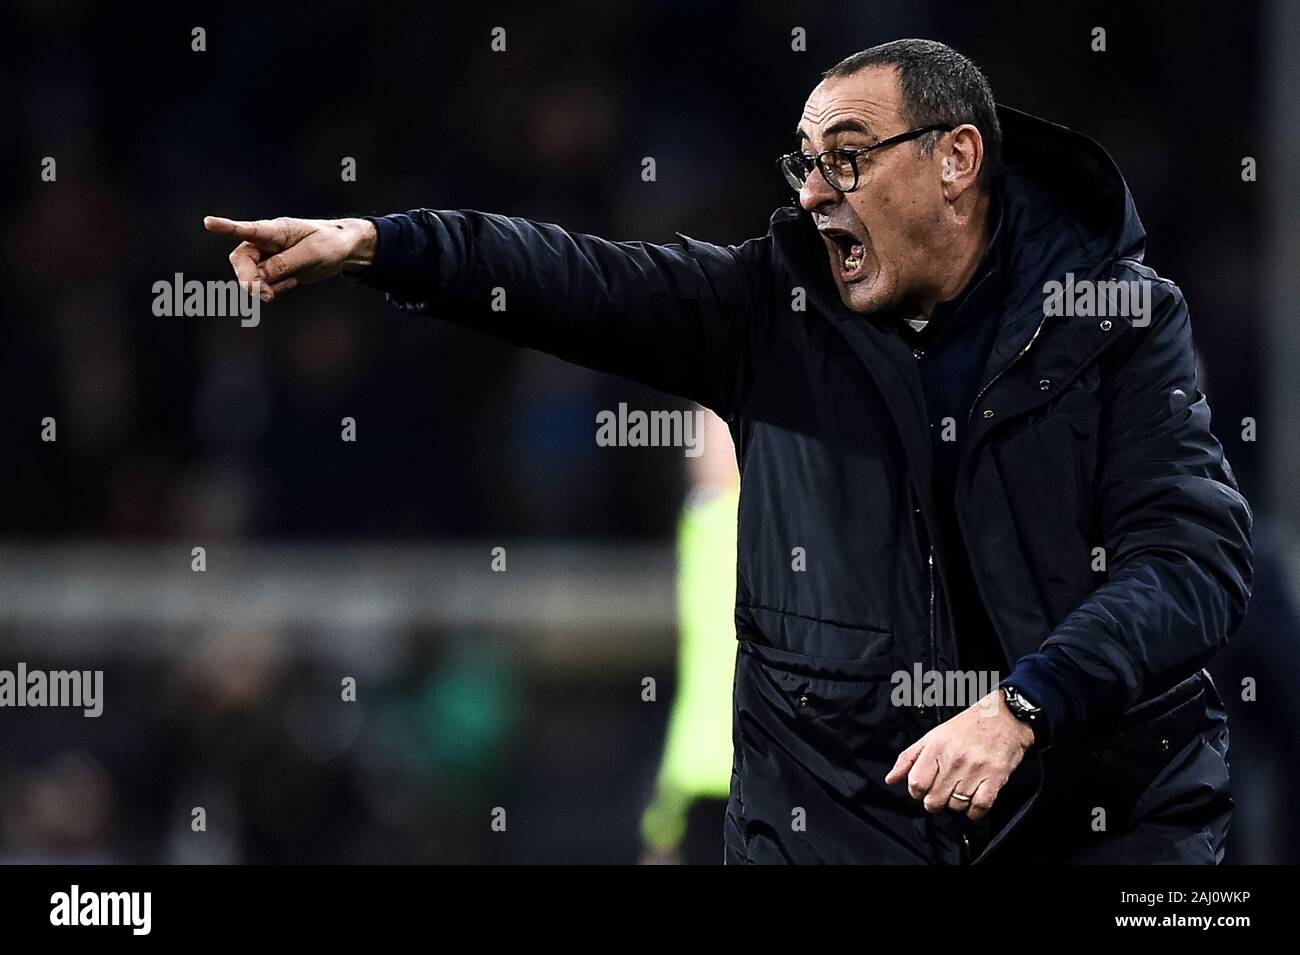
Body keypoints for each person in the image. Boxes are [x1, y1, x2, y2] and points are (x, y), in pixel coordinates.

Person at [205, 38, 1252, 864]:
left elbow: (1193, 560)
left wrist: (1031, 702)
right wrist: (383, 247)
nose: (811, 191)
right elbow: (574, 281)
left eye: (846, 156)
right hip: (841, 834)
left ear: (955, 161)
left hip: (1096, 826)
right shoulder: (771, 310)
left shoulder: (1113, 320)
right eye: (805, 163)